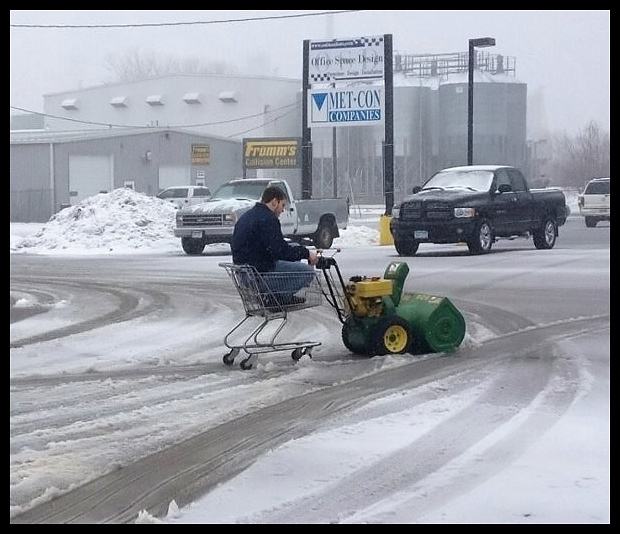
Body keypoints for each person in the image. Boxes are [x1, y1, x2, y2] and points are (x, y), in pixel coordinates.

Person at [231, 185, 318, 307]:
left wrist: (297, 250)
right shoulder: (268, 219)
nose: (283, 210)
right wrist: (307, 253)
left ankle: (277, 297)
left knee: (294, 249)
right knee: (307, 272)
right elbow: (279, 251)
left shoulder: (248, 216)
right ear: (274, 202)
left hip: (245, 272)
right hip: (258, 274)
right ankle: (275, 298)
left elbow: (273, 245)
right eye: (282, 205)